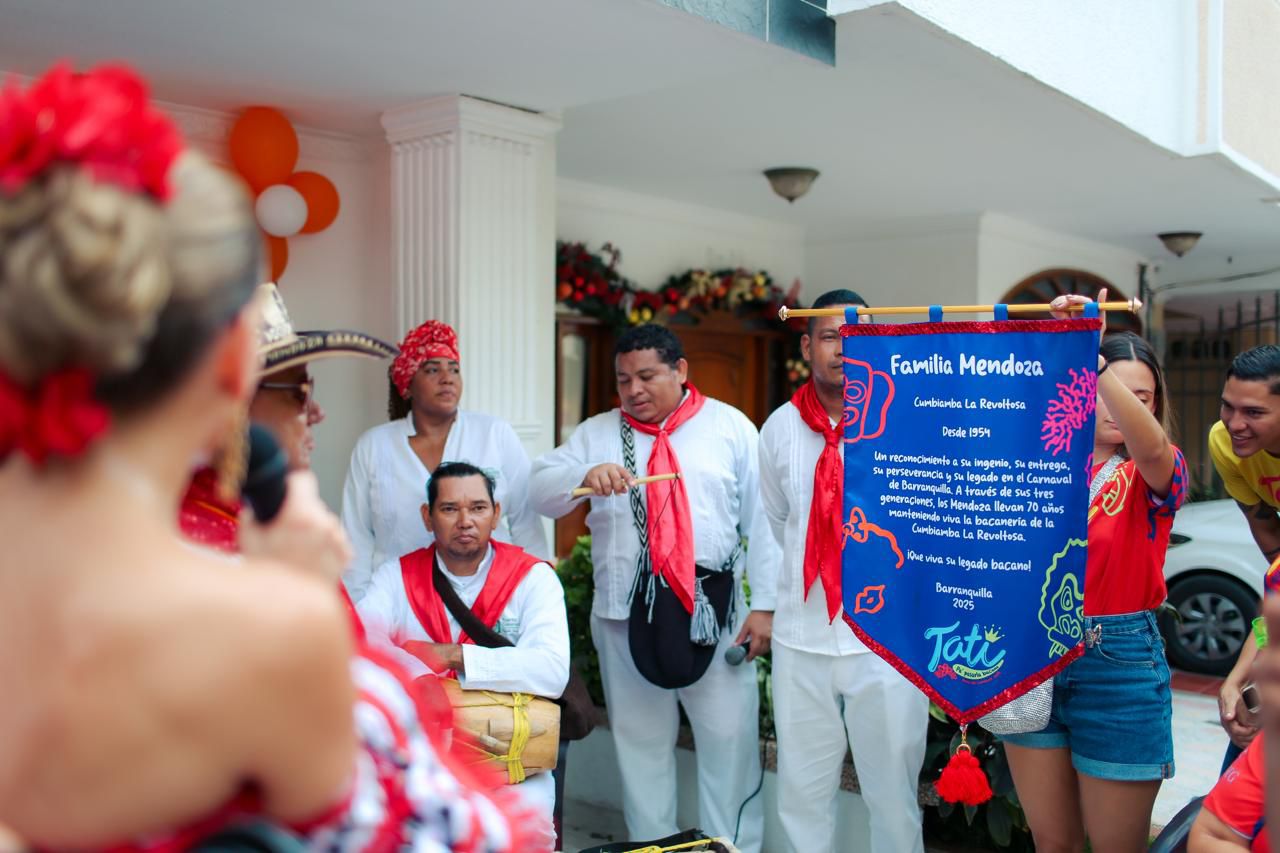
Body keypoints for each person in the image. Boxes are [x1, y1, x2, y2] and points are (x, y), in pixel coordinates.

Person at [0, 63, 521, 851]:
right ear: (225, 374)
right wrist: (307, 604)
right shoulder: (264, 627)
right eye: (289, 383)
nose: (312, 409)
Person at [528, 323, 780, 853]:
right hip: (625, 617)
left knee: (728, 745)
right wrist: (584, 476)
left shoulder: (730, 427)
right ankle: (653, 848)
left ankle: (730, 848)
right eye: (624, 380)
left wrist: (767, 609)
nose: (634, 390)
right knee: (642, 750)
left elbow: (765, 522)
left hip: (713, 613)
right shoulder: (598, 432)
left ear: (680, 370)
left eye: (646, 376)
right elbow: (538, 490)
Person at [1000, 303, 1188, 853]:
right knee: (1052, 845)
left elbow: (1151, 444)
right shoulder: (1037, 465)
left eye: (1139, 398)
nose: (1116, 406)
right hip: (1033, 653)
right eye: (1103, 388)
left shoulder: (1154, 470)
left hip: (1117, 665)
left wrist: (1096, 362)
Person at [757, 289, 929, 853]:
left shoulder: (904, 421)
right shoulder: (779, 429)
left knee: (892, 797)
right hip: (802, 638)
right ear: (807, 345)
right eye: (831, 335)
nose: (844, 348)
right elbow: (780, 518)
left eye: (857, 335)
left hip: (886, 644)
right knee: (802, 797)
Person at [358, 461, 570, 852]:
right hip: (424, 762)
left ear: (496, 514)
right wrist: (420, 676)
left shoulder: (532, 578)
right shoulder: (396, 576)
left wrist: (455, 656)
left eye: (477, 508)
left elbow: (553, 670)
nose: (465, 520)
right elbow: (360, 643)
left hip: (512, 762)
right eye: (449, 509)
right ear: (428, 516)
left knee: (530, 832)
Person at [179, 282, 397, 555]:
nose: (316, 412)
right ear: (237, 405)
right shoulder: (200, 545)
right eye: (299, 392)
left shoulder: (254, 517)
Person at [342, 319, 549, 601]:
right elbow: (356, 537)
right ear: (407, 385)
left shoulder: (493, 433)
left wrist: (539, 587)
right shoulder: (374, 446)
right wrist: (361, 612)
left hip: (490, 598)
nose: (447, 378)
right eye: (432, 369)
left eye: (454, 369)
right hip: (399, 602)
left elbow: (526, 520)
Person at [1209, 345, 1280, 772]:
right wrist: (1238, 681)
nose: (1235, 424)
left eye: (1254, 413)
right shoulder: (1226, 443)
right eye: (1227, 407)